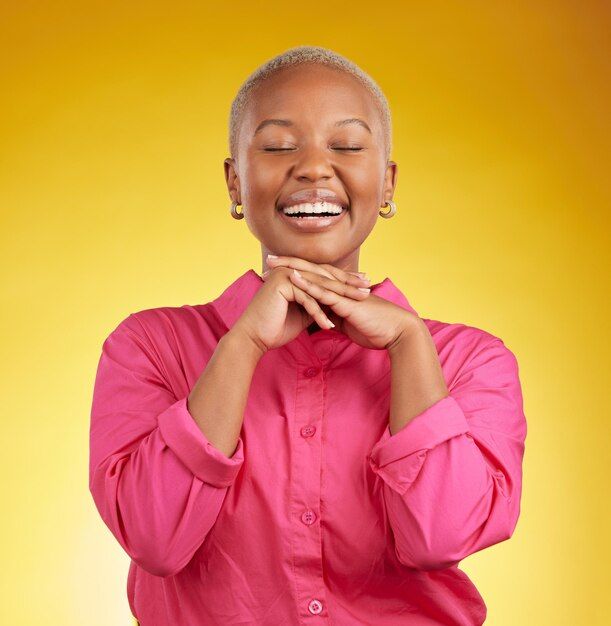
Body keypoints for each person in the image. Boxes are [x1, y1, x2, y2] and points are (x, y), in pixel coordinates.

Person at [88, 45, 527, 626]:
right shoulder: (150, 348)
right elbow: (155, 541)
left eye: (346, 146)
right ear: (234, 183)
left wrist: (409, 348)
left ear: (388, 183)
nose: (315, 168)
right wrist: (241, 346)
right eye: (276, 147)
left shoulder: (470, 361)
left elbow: (441, 538)